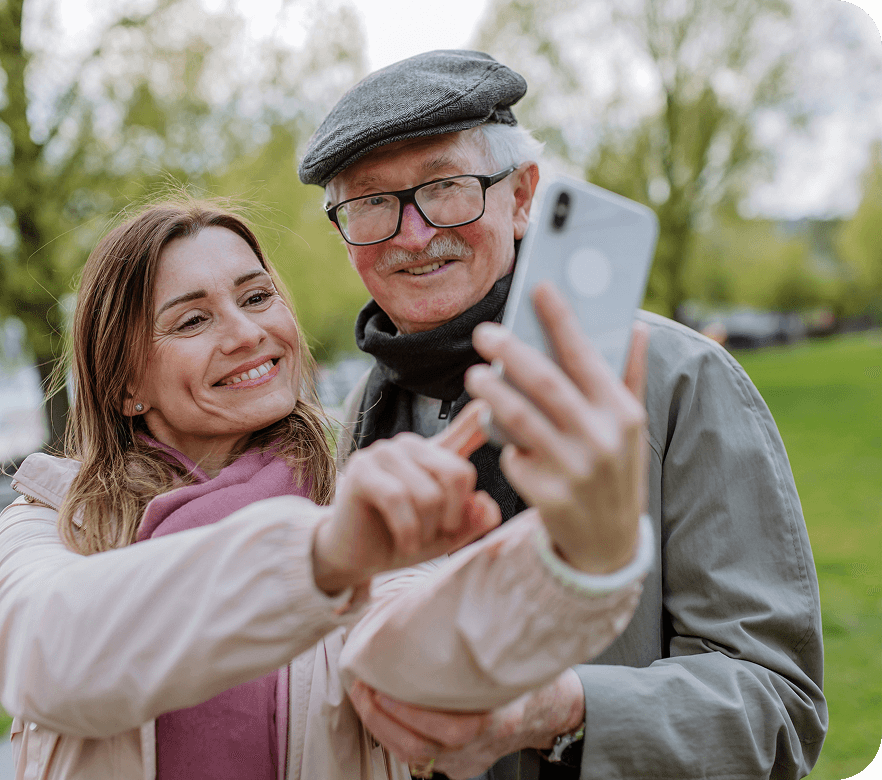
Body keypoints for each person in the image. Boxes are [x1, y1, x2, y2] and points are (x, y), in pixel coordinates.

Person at [0, 199, 655, 780]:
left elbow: (435, 660)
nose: (248, 334)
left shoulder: (351, 490)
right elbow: (50, 657)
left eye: (255, 296)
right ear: (125, 383)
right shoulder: (50, 518)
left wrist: (585, 548)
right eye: (193, 320)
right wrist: (323, 558)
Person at [297, 50, 827, 780]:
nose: (412, 234)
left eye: (446, 188)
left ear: (521, 198)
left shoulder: (679, 379)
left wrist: (561, 712)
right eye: (371, 204)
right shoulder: (364, 409)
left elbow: (778, 710)